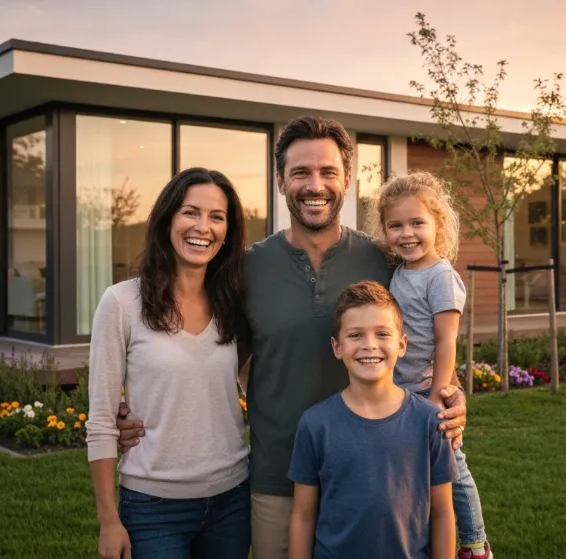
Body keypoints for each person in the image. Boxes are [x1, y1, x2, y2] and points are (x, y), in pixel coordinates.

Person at [114, 116, 469, 559]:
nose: (314, 185)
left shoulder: (386, 261)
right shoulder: (246, 269)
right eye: (301, 172)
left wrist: (448, 392)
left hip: (376, 481)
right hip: (277, 482)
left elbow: (424, 335)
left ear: (346, 180)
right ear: (281, 180)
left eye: (327, 172)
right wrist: (132, 410)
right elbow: (205, 355)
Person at [85, 167, 252, 559]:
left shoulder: (234, 303)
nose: (203, 227)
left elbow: (253, 382)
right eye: (190, 212)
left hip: (232, 500)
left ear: (227, 231)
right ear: (167, 219)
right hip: (152, 507)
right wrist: (109, 521)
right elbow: (102, 419)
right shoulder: (121, 303)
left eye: (216, 216)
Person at [288, 280, 457, 559]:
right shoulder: (315, 425)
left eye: (382, 334)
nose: (370, 345)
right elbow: (303, 516)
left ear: (402, 344)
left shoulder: (429, 421)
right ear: (337, 347)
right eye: (355, 335)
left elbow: (442, 514)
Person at [373, 171, 493, 558]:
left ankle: (475, 543)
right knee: (414, 475)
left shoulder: (441, 276)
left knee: (452, 469)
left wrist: (438, 395)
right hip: (398, 390)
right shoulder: (399, 271)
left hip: (427, 391)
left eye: (417, 223)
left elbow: (446, 341)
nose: (407, 234)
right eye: (396, 226)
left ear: (438, 224)